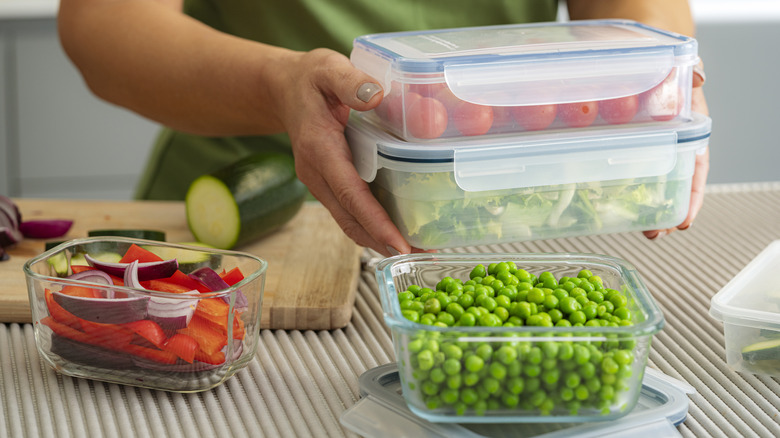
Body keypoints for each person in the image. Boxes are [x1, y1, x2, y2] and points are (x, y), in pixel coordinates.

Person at [58, 0, 708, 256]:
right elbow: (101, 24)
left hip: (510, 210)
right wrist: (279, 86)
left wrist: (655, 77)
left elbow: (641, 10)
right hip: (253, 220)